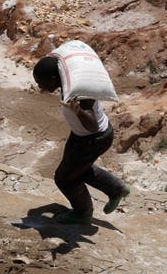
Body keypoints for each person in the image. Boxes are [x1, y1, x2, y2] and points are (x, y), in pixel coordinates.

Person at [32, 53, 130, 224]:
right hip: (80, 135)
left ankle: (83, 213)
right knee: (77, 169)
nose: (39, 85)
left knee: (64, 178)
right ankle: (116, 189)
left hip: (94, 139)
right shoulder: (68, 84)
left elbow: (92, 126)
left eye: (41, 81)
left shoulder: (80, 94)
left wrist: (77, 110)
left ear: (54, 78)